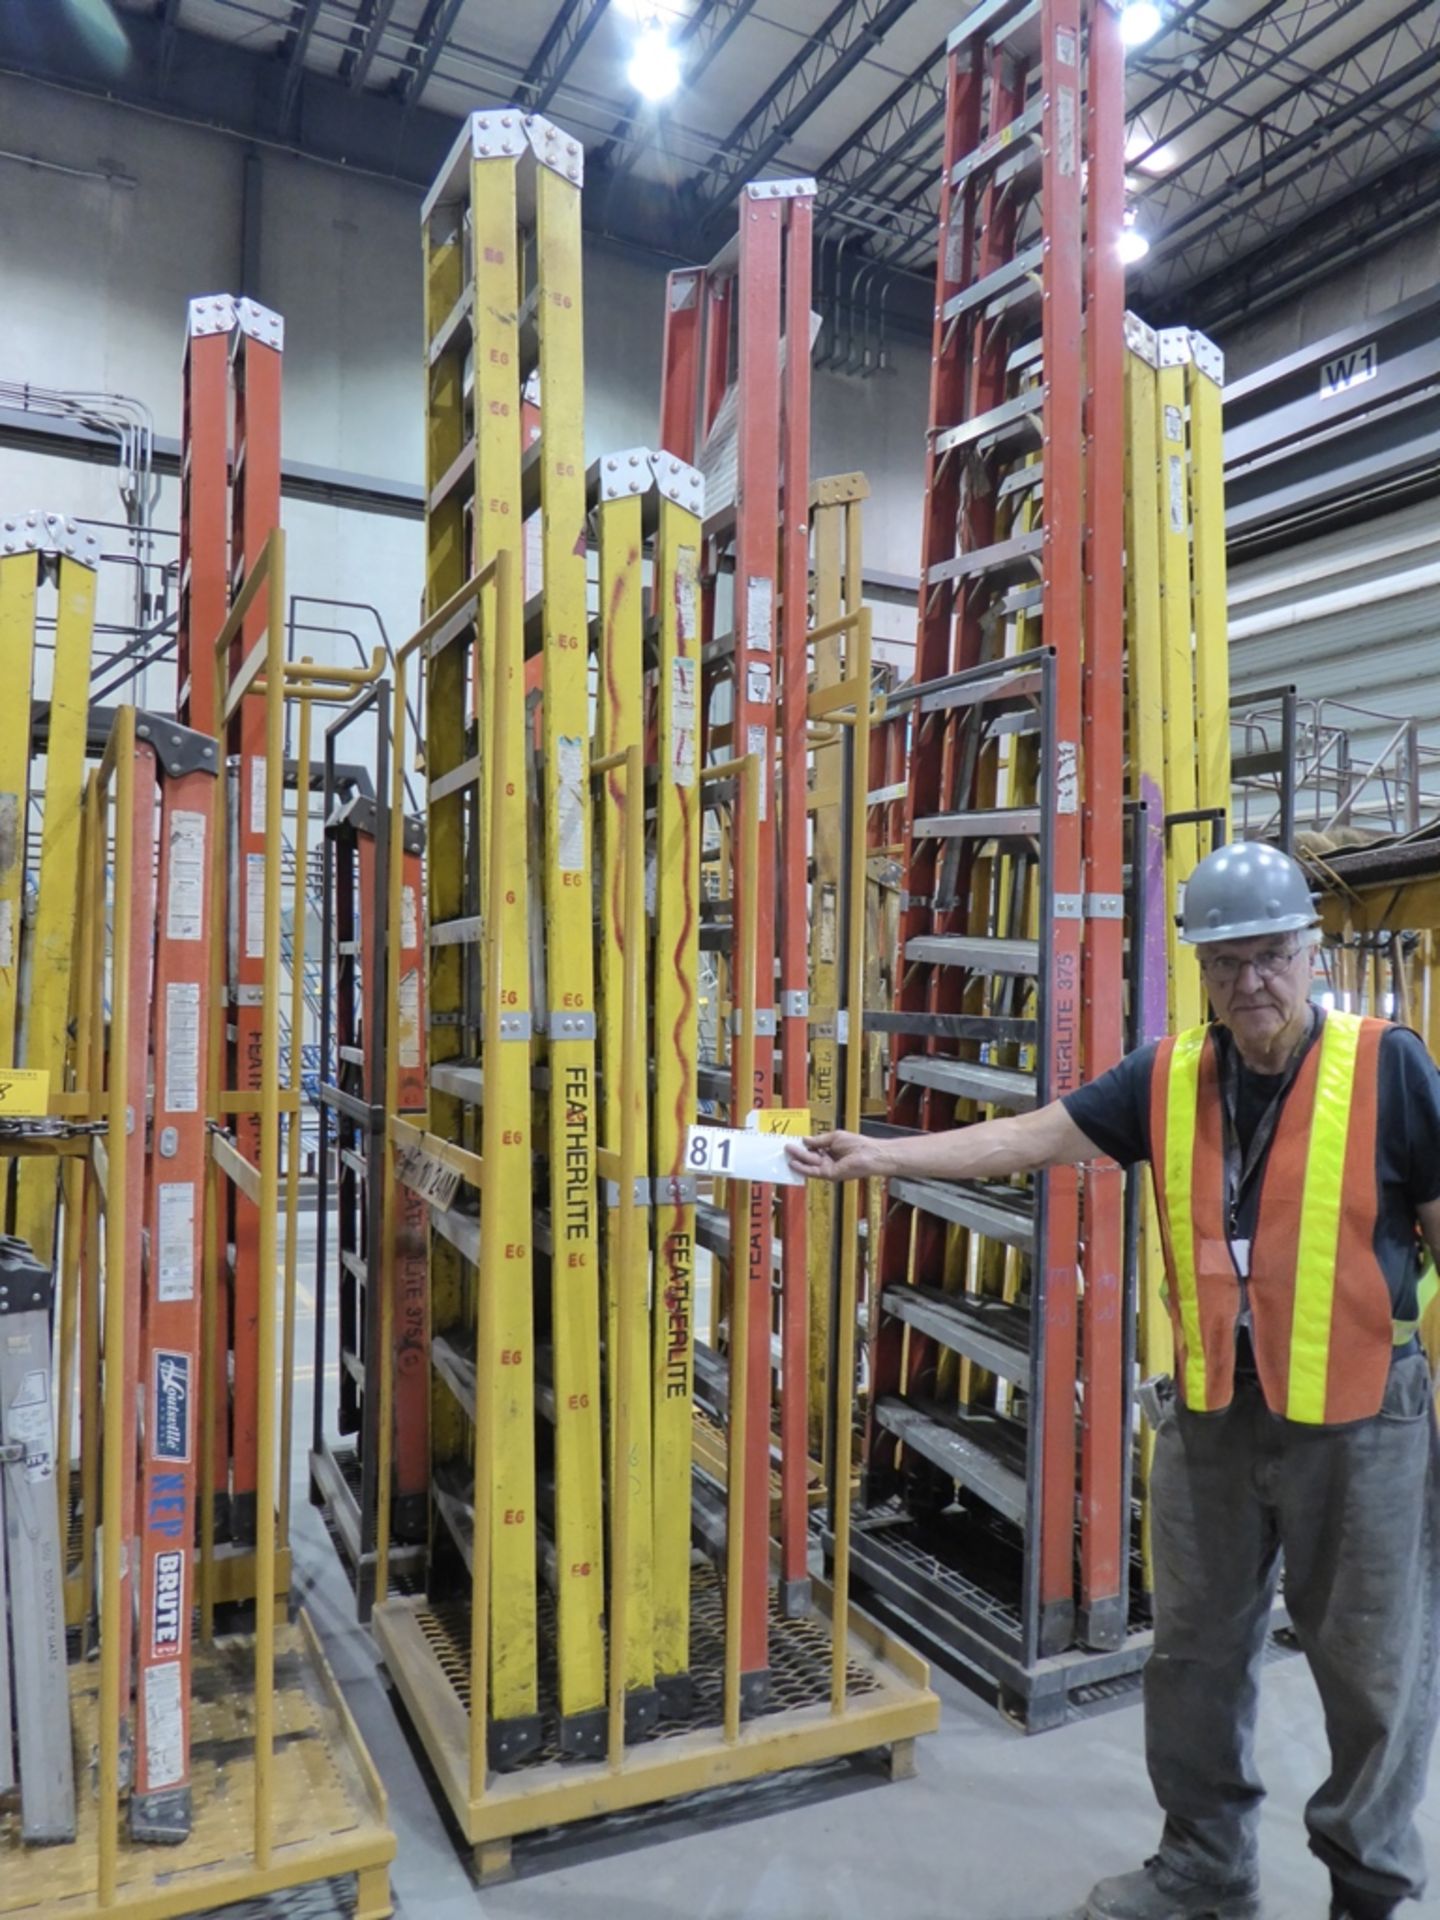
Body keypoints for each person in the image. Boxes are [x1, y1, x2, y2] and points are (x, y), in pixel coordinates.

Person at [787, 842, 1440, 1920]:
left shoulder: (1392, 1068)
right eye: (1225, 964)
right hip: (1213, 1415)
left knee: (1372, 1667)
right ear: (1200, 970)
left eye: (1270, 957)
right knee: (1192, 1657)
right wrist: (884, 1155)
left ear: (1311, 953)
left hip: (1362, 1419)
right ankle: (1204, 1866)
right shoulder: (1169, 1076)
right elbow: (1032, 1137)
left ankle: (1366, 1890)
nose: (1250, 984)